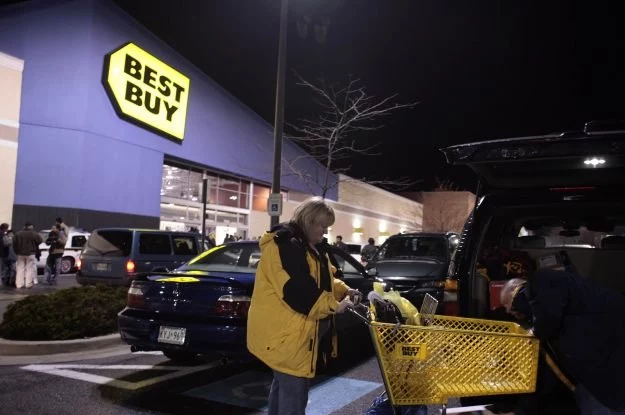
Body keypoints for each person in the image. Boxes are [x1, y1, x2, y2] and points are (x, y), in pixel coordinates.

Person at [247, 197, 358, 415]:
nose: (325, 231)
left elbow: (322, 279)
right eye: (322, 225)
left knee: (285, 390)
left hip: (292, 335)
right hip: (287, 337)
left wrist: (343, 290)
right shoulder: (285, 247)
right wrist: (335, 306)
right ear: (308, 220)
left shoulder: (306, 247)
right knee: (294, 397)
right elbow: (299, 291)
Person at [501, 270, 625, 414]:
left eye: (507, 306)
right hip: (597, 378)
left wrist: (533, 331)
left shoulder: (542, 280)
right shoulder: (544, 307)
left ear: (514, 291)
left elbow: (548, 318)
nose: (509, 311)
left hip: (609, 369)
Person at [13, 223, 43, 289]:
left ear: (24, 227)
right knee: (29, 269)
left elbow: (14, 243)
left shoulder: (18, 234)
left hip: (20, 253)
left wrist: (16, 251)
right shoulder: (34, 234)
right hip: (31, 253)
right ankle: (28, 284)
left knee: (20, 269)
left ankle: (19, 284)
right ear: (31, 227)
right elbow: (40, 240)